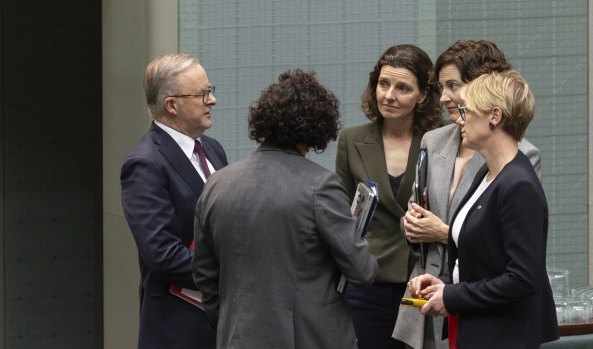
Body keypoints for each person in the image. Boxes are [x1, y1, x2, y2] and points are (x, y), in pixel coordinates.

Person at [192, 69, 378, 349]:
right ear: (318, 127)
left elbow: (204, 274)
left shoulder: (217, 184)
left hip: (236, 338)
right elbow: (362, 271)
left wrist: (230, 323)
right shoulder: (320, 186)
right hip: (310, 337)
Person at [392, 40, 541, 349]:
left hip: (490, 320)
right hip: (440, 298)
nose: (447, 102)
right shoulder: (477, 166)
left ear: (492, 111)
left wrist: (443, 234)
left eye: (455, 88)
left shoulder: (515, 172)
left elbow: (520, 271)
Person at [336, 44, 443, 349]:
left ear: (423, 95)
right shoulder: (351, 139)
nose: (389, 95)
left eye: (403, 88)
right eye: (383, 84)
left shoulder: (442, 141)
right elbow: (342, 214)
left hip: (421, 279)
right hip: (369, 280)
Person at [121, 53, 228, 349]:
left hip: (222, 323)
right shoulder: (144, 164)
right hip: (179, 328)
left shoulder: (214, 149)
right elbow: (162, 255)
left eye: (211, 90)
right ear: (172, 105)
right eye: (203, 93)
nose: (212, 100)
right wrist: (232, 271)